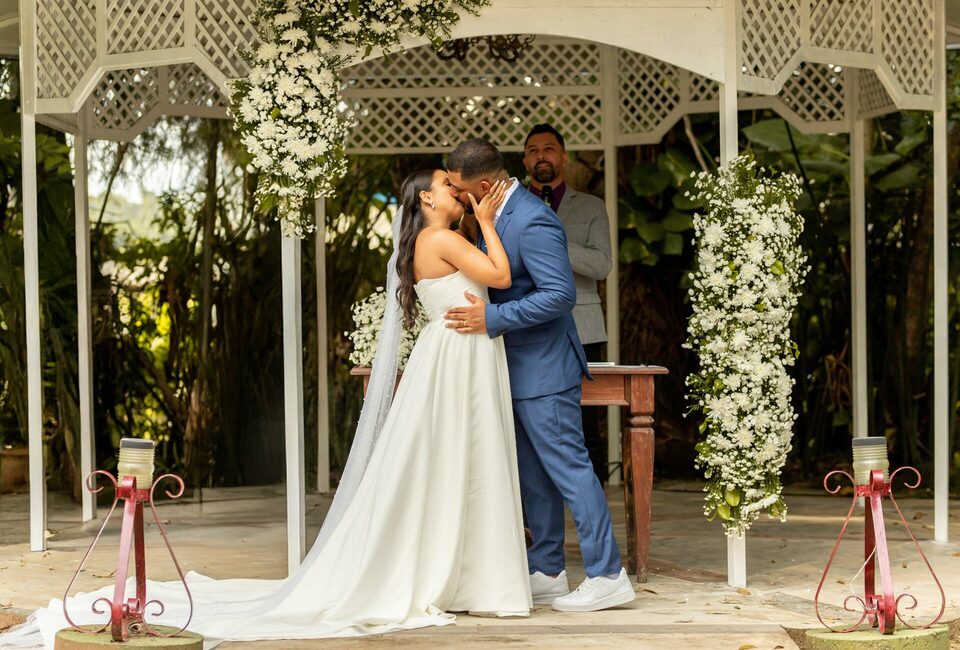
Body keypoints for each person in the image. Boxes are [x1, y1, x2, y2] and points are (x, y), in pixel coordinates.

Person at [0, 170, 532, 647]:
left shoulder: (435, 238)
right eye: (446, 184)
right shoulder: (440, 237)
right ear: (426, 199)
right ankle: (470, 576)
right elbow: (501, 278)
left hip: (456, 356)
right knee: (463, 460)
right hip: (457, 358)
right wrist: (487, 222)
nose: (457, 191)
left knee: (457, 463)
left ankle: (463, 572)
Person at [444, 138, 634, 612]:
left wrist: (492, 319)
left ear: (482, 187)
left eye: (461, 191)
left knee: (570, 470)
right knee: (534, 476)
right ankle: (547, 569)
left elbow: (559, 295)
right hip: (515, 367)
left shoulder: (532, 219)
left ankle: (608, 574)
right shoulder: (495, 214)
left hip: (545, 368)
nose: (458, 198)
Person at [523, 123, 613, 483]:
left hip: (583, 329)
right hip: (526, 325)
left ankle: (592, 499)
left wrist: (555, 244)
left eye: (548, 149)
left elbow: (602, 265)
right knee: (526, 415)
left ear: (564, 157)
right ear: (525, 161)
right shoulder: (508, 206)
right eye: (533, 150)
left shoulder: (591, 206)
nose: (540, 156)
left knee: (586, 421)